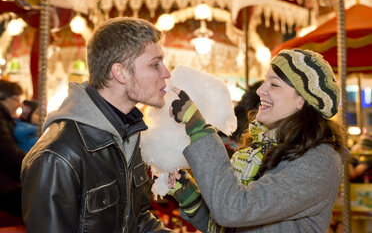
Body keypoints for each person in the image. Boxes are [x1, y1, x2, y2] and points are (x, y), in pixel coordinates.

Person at [168, 49, 349, 232]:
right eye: (265, 82)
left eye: (274, 84)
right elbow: (235, 226)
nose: (261, 90)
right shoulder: (262, 147)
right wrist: (192, 199)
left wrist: (199, 129)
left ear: (301, 100)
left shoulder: (318, 162)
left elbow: (235, 210)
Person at [21, 17, 172, 233]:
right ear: (120, 73)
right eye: (155, 64)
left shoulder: (129, 132)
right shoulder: (58, 156)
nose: (165, 73)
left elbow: (136, 220)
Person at [0, 79, 25, 218]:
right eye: (15, 99)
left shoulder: (5, 117)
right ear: (2, 96)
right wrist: (32, 160)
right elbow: (8, 152)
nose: (18, 104)